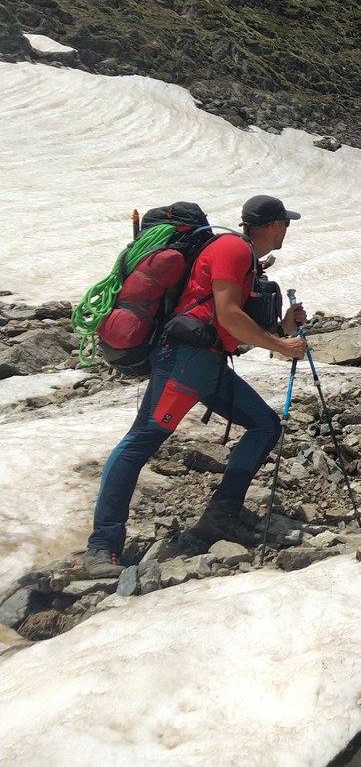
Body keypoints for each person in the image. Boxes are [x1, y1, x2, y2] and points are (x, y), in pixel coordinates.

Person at [83, 195, 310, 577]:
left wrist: (284, 326)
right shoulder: (232, 248)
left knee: (264, 425)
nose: (287, 227)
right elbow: (228, 314)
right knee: (140, 442)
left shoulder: (244, 257)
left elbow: (230, 323)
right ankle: (102, 546)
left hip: (205, 362)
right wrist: (283, 346)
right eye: (285, 222)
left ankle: (222, 515)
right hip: (185, 363)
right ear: (272, 225)